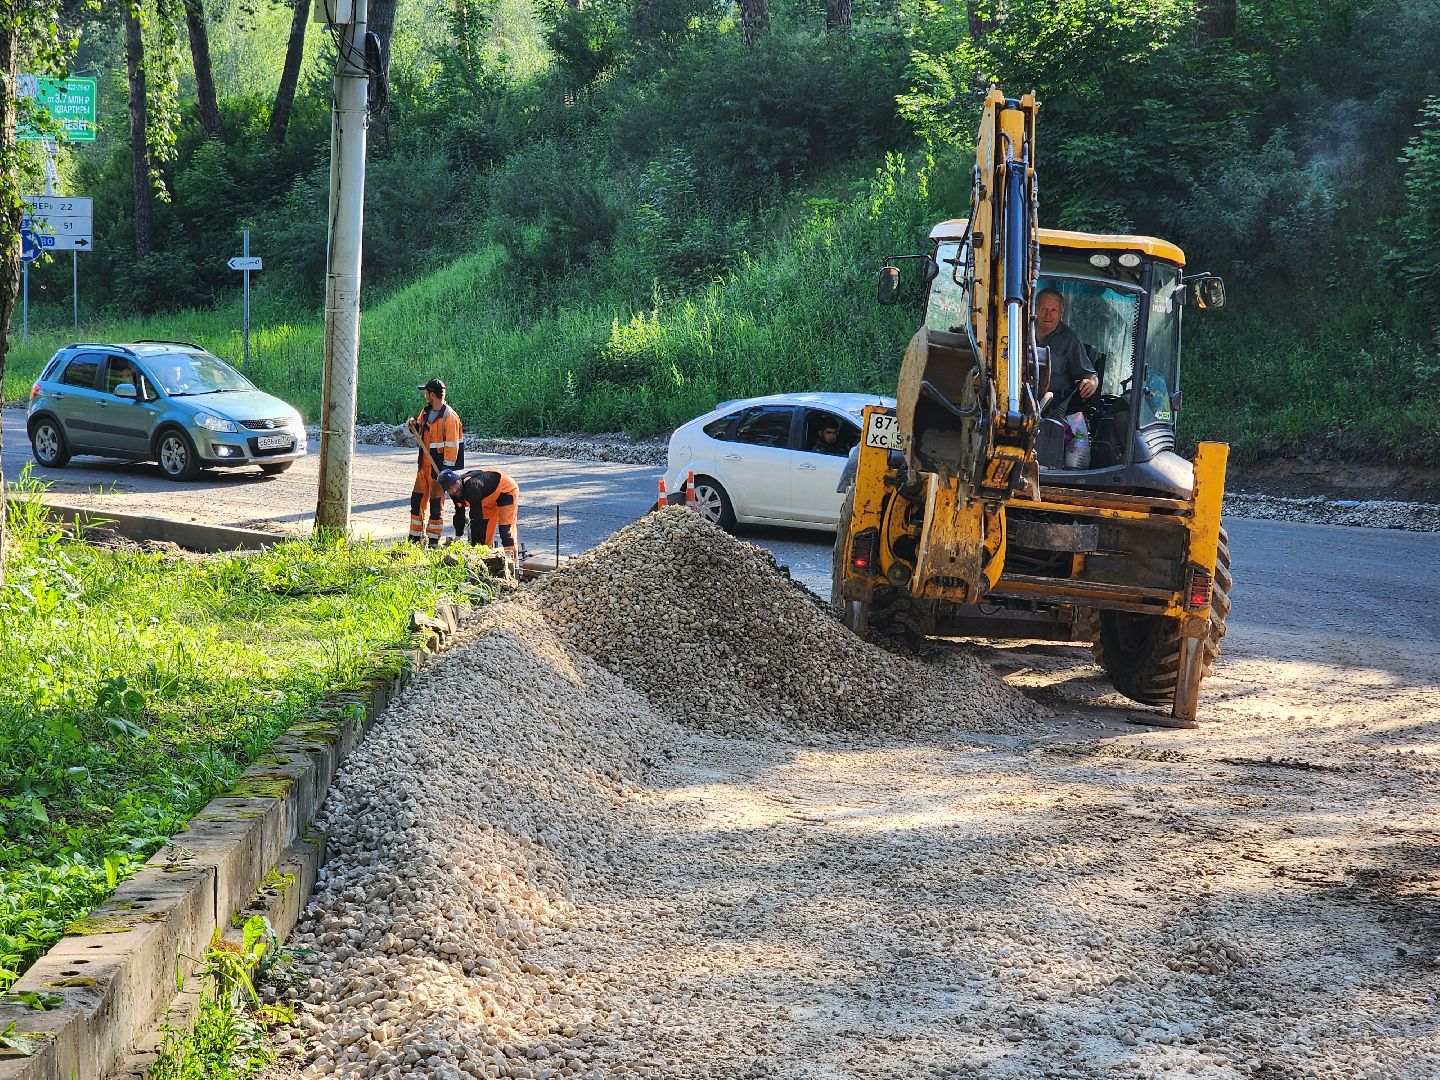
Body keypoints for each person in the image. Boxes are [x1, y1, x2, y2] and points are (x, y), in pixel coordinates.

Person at [407, 378, 464, 546]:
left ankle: (433, 538)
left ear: (432, 395)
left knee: (435, 505)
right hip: (423, 467)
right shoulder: (425, 412)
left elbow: (452, 447)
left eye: (426, 393)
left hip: (437, 469)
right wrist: (413, 425)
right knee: (417, 501)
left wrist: (446, 472)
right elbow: (420, 428)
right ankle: (415, 536)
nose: (425, 395)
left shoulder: (449, 417)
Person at [1035, 287, 1099, 415]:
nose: (1048, 315)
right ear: (1035, 309)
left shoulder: (1069, 340)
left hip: (1052, 411)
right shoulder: (1019, 329)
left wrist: (1091, 383)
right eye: (1044, 309)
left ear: (1061, 313)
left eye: (1053, 310)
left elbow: (1090, 375)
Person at [440, 468, 520, 559]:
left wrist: (474, 548)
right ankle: (487, 562)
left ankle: (513, 564)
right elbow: (459, 514)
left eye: (455, 485)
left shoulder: (471, 486)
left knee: (506, 531)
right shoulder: (455, 494)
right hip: (487, 499)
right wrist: (458, 535)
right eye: (450, 488)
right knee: (484, 536)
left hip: (506, 492)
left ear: (458, 480)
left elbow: (475, 518)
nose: (454, 490)